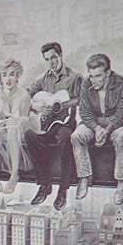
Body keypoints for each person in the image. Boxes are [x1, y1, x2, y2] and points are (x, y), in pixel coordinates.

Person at [71, 52, 123, 203]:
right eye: (91, 76)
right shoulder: (86, 84)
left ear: (108, 73)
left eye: (98, 76)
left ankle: (121, 182)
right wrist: (97, 128)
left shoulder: (122, 84)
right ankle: (85, 177)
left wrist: (107, 130)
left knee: (122, 138)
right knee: (77, 136)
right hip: (93, 123)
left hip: (114, 122)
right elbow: (84, 111)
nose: (94, 80)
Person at [26, 40, 80, 207]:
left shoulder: (74, 77)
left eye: (54, 57)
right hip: (47, 124)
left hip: (65, 123)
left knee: (65, 138)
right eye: (47, 59)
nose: (51, 62)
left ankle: (63, 189)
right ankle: (44, 184)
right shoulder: (41, 79)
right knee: (29, 135)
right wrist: (33, 106)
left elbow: (82, 99)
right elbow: (26, 97)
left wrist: (68, 104)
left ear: (61, 55)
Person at [0, 58, 33, 197]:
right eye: (4, 75)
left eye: (12, 74)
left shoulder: (24, 94)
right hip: (1, 123)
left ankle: (14, 173)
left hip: (19, 125)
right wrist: (4, 112)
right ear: (0, 78)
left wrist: (12, 119)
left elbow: (25, 117)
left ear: (17, 76)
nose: (8, 78)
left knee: (12, 127)